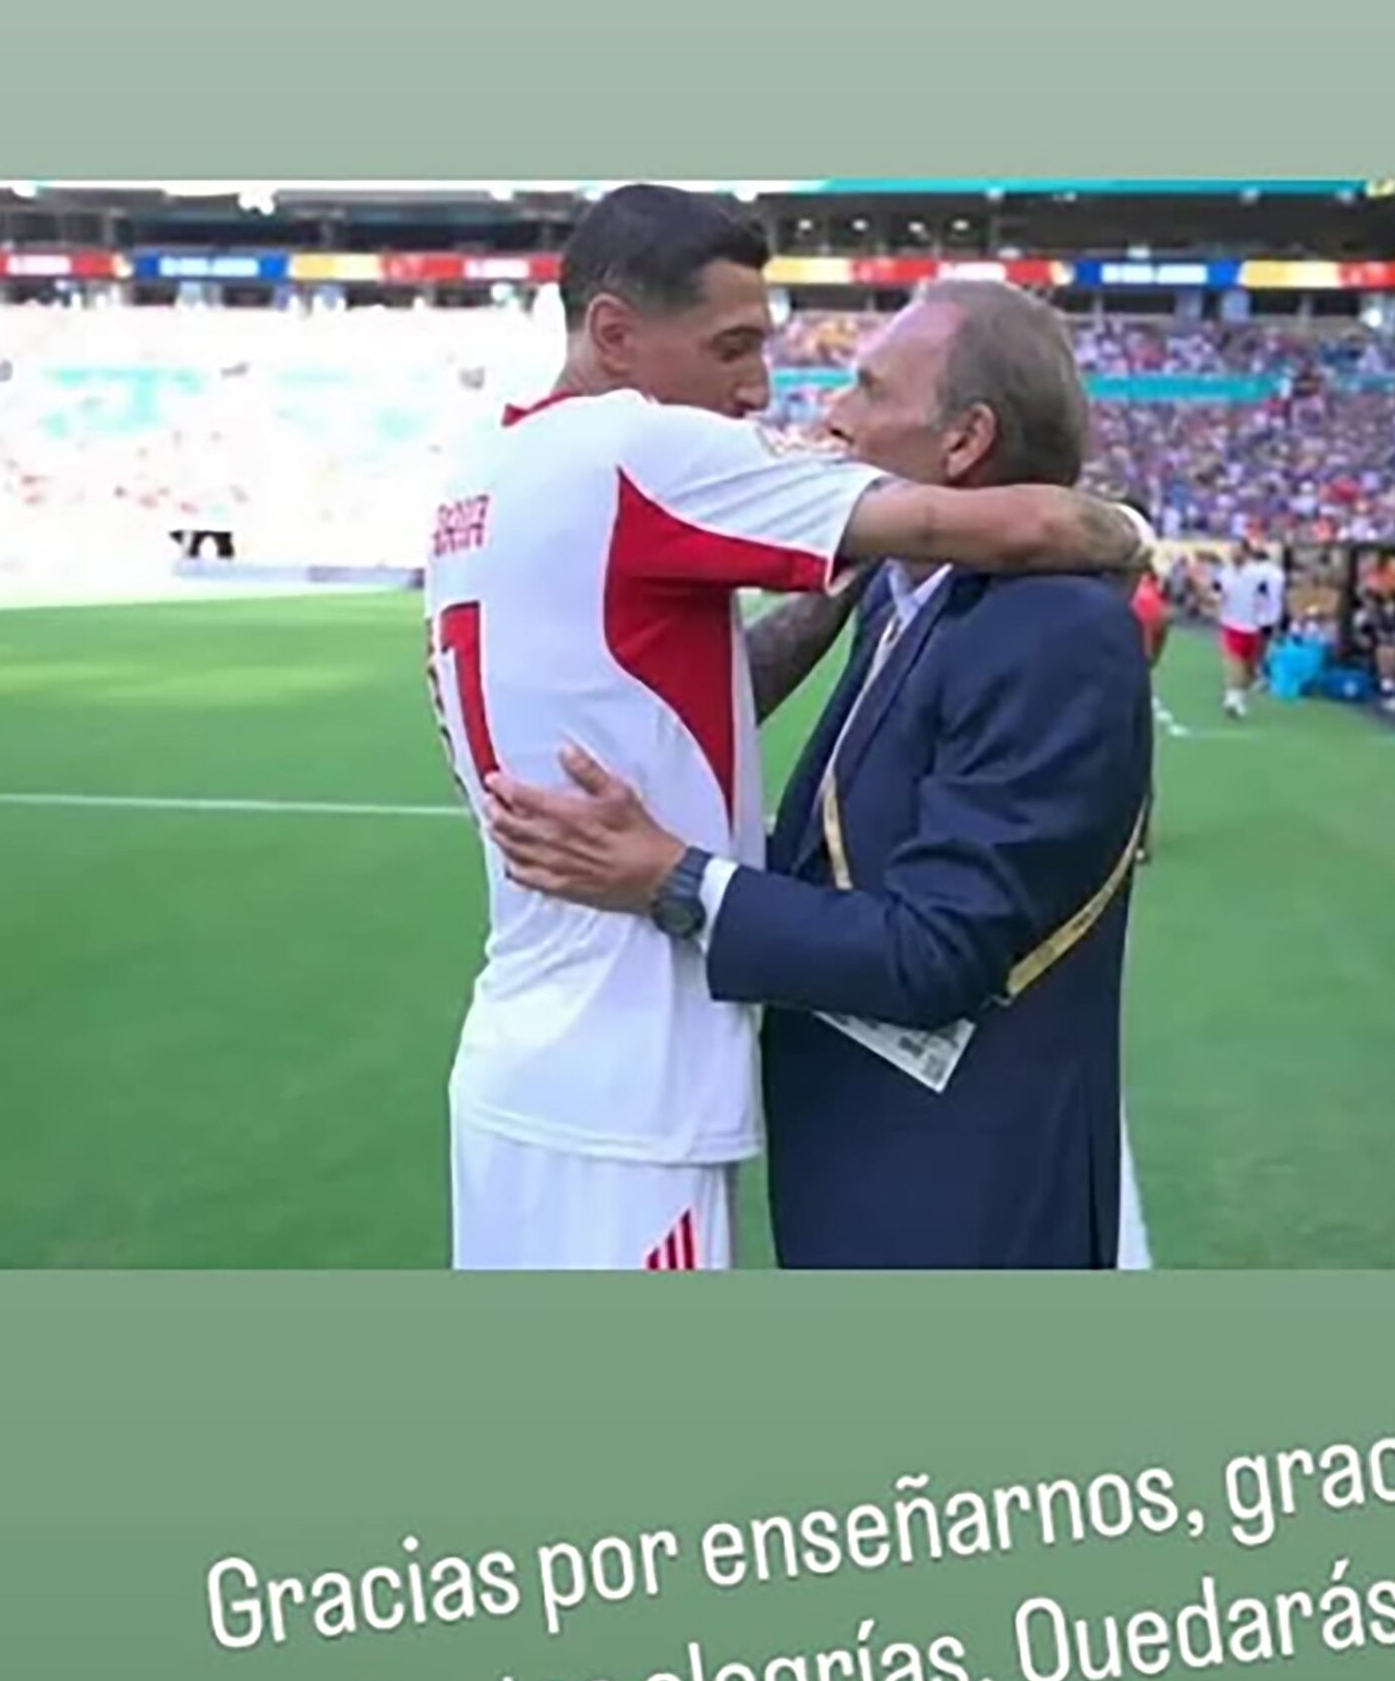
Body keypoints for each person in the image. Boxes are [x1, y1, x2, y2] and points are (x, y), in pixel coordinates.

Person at [428, 192, 1153, 1273]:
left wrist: (838, 591)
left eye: (862, 384)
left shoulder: (490, 463)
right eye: (732, 347)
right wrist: (1140, 534)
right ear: (616, 334)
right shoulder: (638, 446)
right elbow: (1037, 521)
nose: (793, 403)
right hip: (623, 1087)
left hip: (546, 1054)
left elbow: (703, 706)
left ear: (966, 435)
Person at [1131, 566, 1168, 863]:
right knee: (1137, 757)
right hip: (1136, 674)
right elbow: (1162, 625)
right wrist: (1151, 659)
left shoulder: (1109, 595)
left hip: (1102, 674)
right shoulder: (1150, 597)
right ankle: (1141, 839)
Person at [1218, 540, 1276, 719]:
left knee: (1249, 669)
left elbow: (1266, 598)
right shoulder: (1225, 574)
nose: (1233, 554)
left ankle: (1239, 696)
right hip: (1231, 623)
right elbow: (1217, 592)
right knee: (1234, 662)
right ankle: (1231, 698)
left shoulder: (1258, 574)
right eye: (1231, 550)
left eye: (1237, 551)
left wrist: (1266, 619)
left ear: (1246, 553)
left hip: (1253, 625)